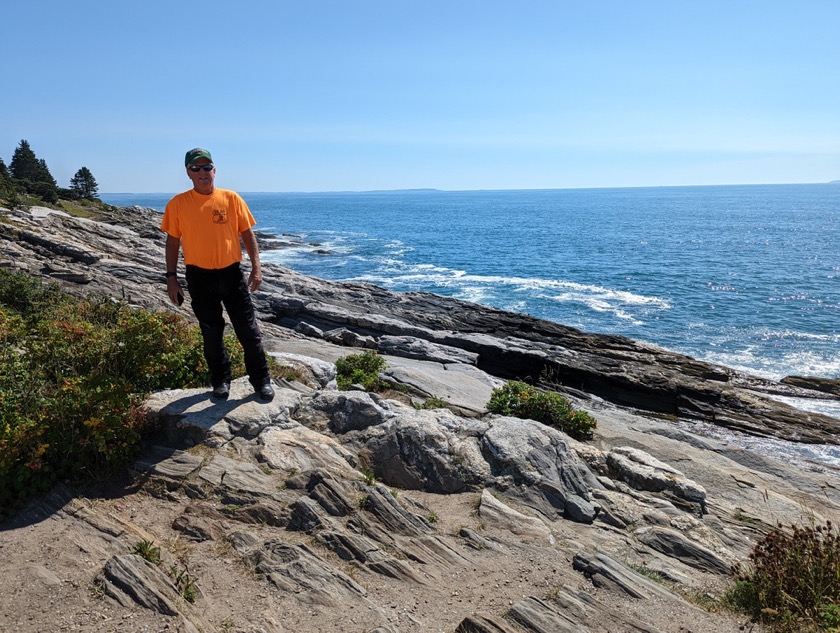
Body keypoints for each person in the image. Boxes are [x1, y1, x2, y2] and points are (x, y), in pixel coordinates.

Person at [160, 147, 274, 401]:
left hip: (231, 275)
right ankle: (221, 382)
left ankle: (261, 381)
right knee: (211, 333)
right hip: (199, 277)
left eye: (206, 167)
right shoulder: (178, 204)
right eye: (196, 168)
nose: (202, 172)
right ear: (188, 173)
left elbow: (247, 233)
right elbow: (172, 242)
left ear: (215, 170)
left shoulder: (231, 199)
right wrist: (171, 278)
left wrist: (257, 266)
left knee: (248, 331)